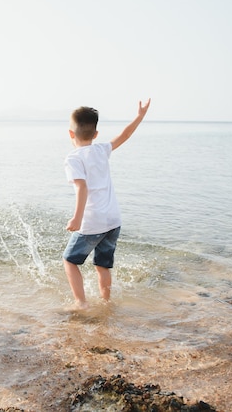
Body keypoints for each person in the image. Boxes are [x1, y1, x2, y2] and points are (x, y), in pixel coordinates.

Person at [62, 99, 151, 309]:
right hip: (113, 220)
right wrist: (139, 116)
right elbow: (125, 135)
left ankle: (81, 303)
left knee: (70, 261)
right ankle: (106, 303)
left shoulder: (73, 158)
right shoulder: (102, 149)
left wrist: (76, 218)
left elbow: (82, 188)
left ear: (70, 134)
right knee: (102, 266)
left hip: (92, 222)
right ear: (95, 134)